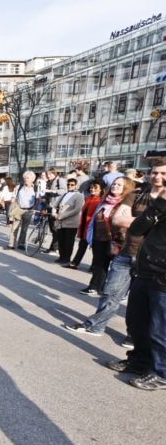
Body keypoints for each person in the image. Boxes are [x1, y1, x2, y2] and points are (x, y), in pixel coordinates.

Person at [65, 162, 166, 342]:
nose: (157, 176)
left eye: (162, 173)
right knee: (110, 293)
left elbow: (131, 221)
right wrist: (153, 221)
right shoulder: (136, 194)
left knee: (142, 304)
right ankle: (96, 326)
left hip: (154, 261)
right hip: (127, 252)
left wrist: (138, 221)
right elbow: (119, 219)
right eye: (154, 172)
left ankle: (134, 337)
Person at [120, 177, 166, 391]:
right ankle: (139, 362)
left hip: (163, 278)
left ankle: (161, 373)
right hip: (146, 270)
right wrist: (160, 204)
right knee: (136, 323)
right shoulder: (159, 204)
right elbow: (136, 229)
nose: (159, 178)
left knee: (160, 329)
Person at [80, 177, 135, 296]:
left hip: (118, 240)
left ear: (126, 188)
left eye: (119, 185)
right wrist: (90, 237)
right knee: (98, 264)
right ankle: (95, 286)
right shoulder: (104, 201)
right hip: (99, 238)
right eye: (114, 184)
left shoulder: (127, 203)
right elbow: (94, 220)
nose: (115, 186)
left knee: (118, 268)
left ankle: (119, 292)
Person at [69, 181, 104, 269]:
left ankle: (94, 266)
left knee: (95, 248)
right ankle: (75, 263)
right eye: (91, 187)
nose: (92, 189)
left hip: (94, 227)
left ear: (101, 190)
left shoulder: (100, 200)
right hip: (85, 226)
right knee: (82, 245)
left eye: (95, 188)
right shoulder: (89, 198)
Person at [52, 178, 84, 264]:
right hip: (60, 222)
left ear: (76, 185)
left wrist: (62, 216)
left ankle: (66, 258)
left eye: (72, 185)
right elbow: (55, 205)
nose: (70, 186)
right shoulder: (64, 194)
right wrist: (54, 213)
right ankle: (61, 257)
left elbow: (77, 209)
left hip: (71, 223)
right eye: (68, 185)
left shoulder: (79, 196)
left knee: (68, 242)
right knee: (61, 240)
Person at [6, 171, 38, 250]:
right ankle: (11, 244)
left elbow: (38, 199)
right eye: (25, 178)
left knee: (24, 229)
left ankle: (21, 243)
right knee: (14, 227)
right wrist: (13, 201)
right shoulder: (19, 186)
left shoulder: (36, 188)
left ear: (32, 179)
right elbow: (13, 196)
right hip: (18, 209)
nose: (26, 179)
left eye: (28, 178)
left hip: (29, 210)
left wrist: (35, 208)